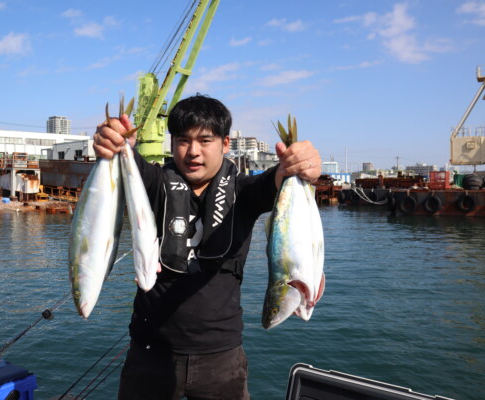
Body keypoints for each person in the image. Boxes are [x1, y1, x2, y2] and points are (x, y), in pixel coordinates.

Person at [94, 95, 321, 400]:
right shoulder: (154, 182)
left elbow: (276, 180)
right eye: (183, 140)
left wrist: (300, 165)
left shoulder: (244, 191)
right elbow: (128, 161)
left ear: (226, 144)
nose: (193, 151)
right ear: (171, 143)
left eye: (205, 140)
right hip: (150, 352)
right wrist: (114, 141)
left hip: (222, 357)